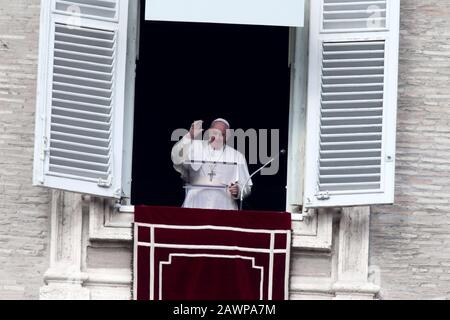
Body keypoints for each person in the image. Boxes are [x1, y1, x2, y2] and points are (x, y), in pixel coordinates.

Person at [171, 119, 252, 210]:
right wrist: (190, 136)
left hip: (224, 207)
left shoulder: (237, 156)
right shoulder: (194, 146)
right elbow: (176, 158)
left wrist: (238, 190)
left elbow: (246, 185)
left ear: (227, 136)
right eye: (215, 132)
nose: (217, 137)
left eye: (222, 134)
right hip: (195, 204)